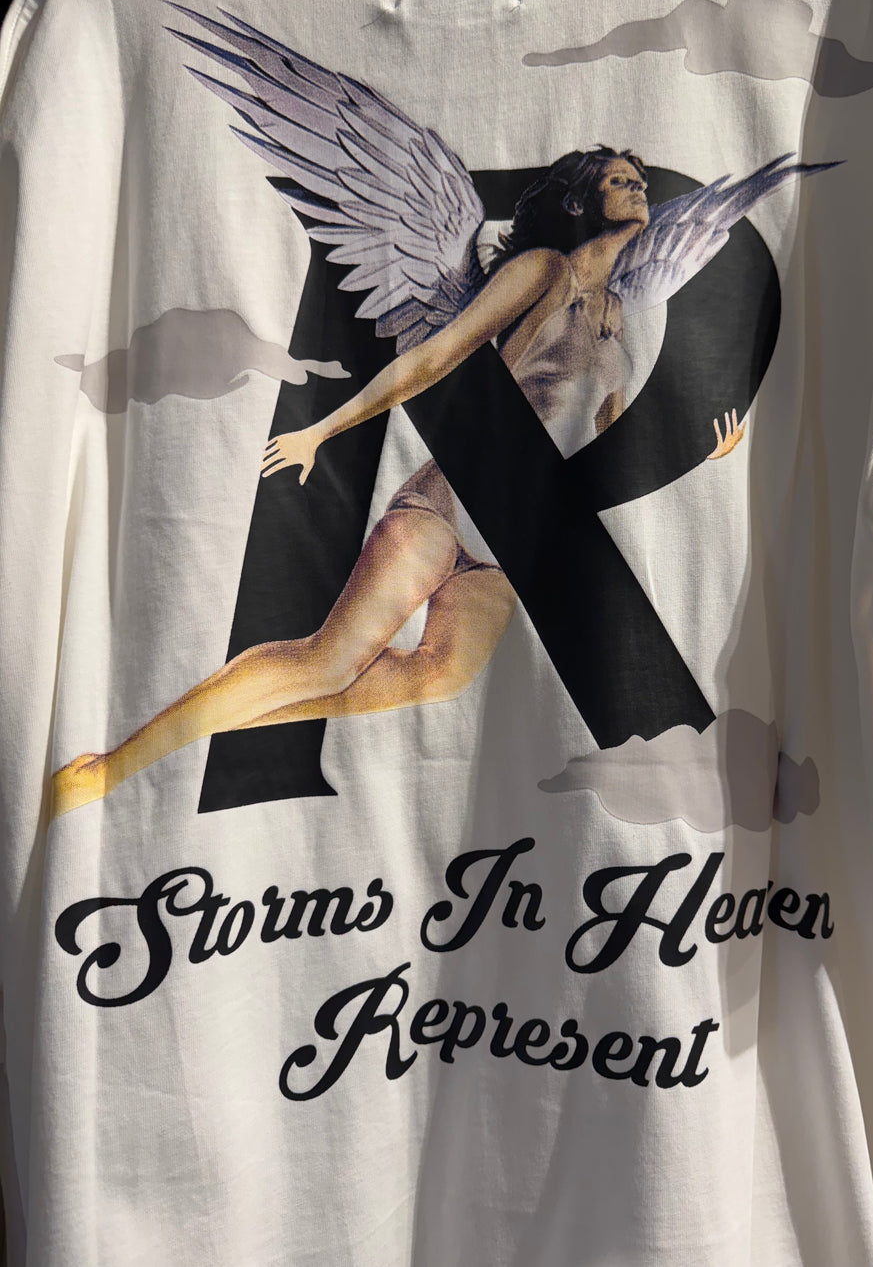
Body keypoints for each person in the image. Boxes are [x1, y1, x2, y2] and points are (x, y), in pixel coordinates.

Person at [50, 146, 744, 817]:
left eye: (639, 181)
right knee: (328, 662)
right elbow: (436, 357)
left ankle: (200, 725)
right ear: (579, 201)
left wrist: (697, 453)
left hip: (516, 542)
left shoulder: (614, 313)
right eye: (620, 181)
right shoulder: (543, 271)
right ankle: (113, 765)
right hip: (454, 499)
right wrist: (324, 430)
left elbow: (606, 437)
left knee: (438, 676)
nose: (638, 189)